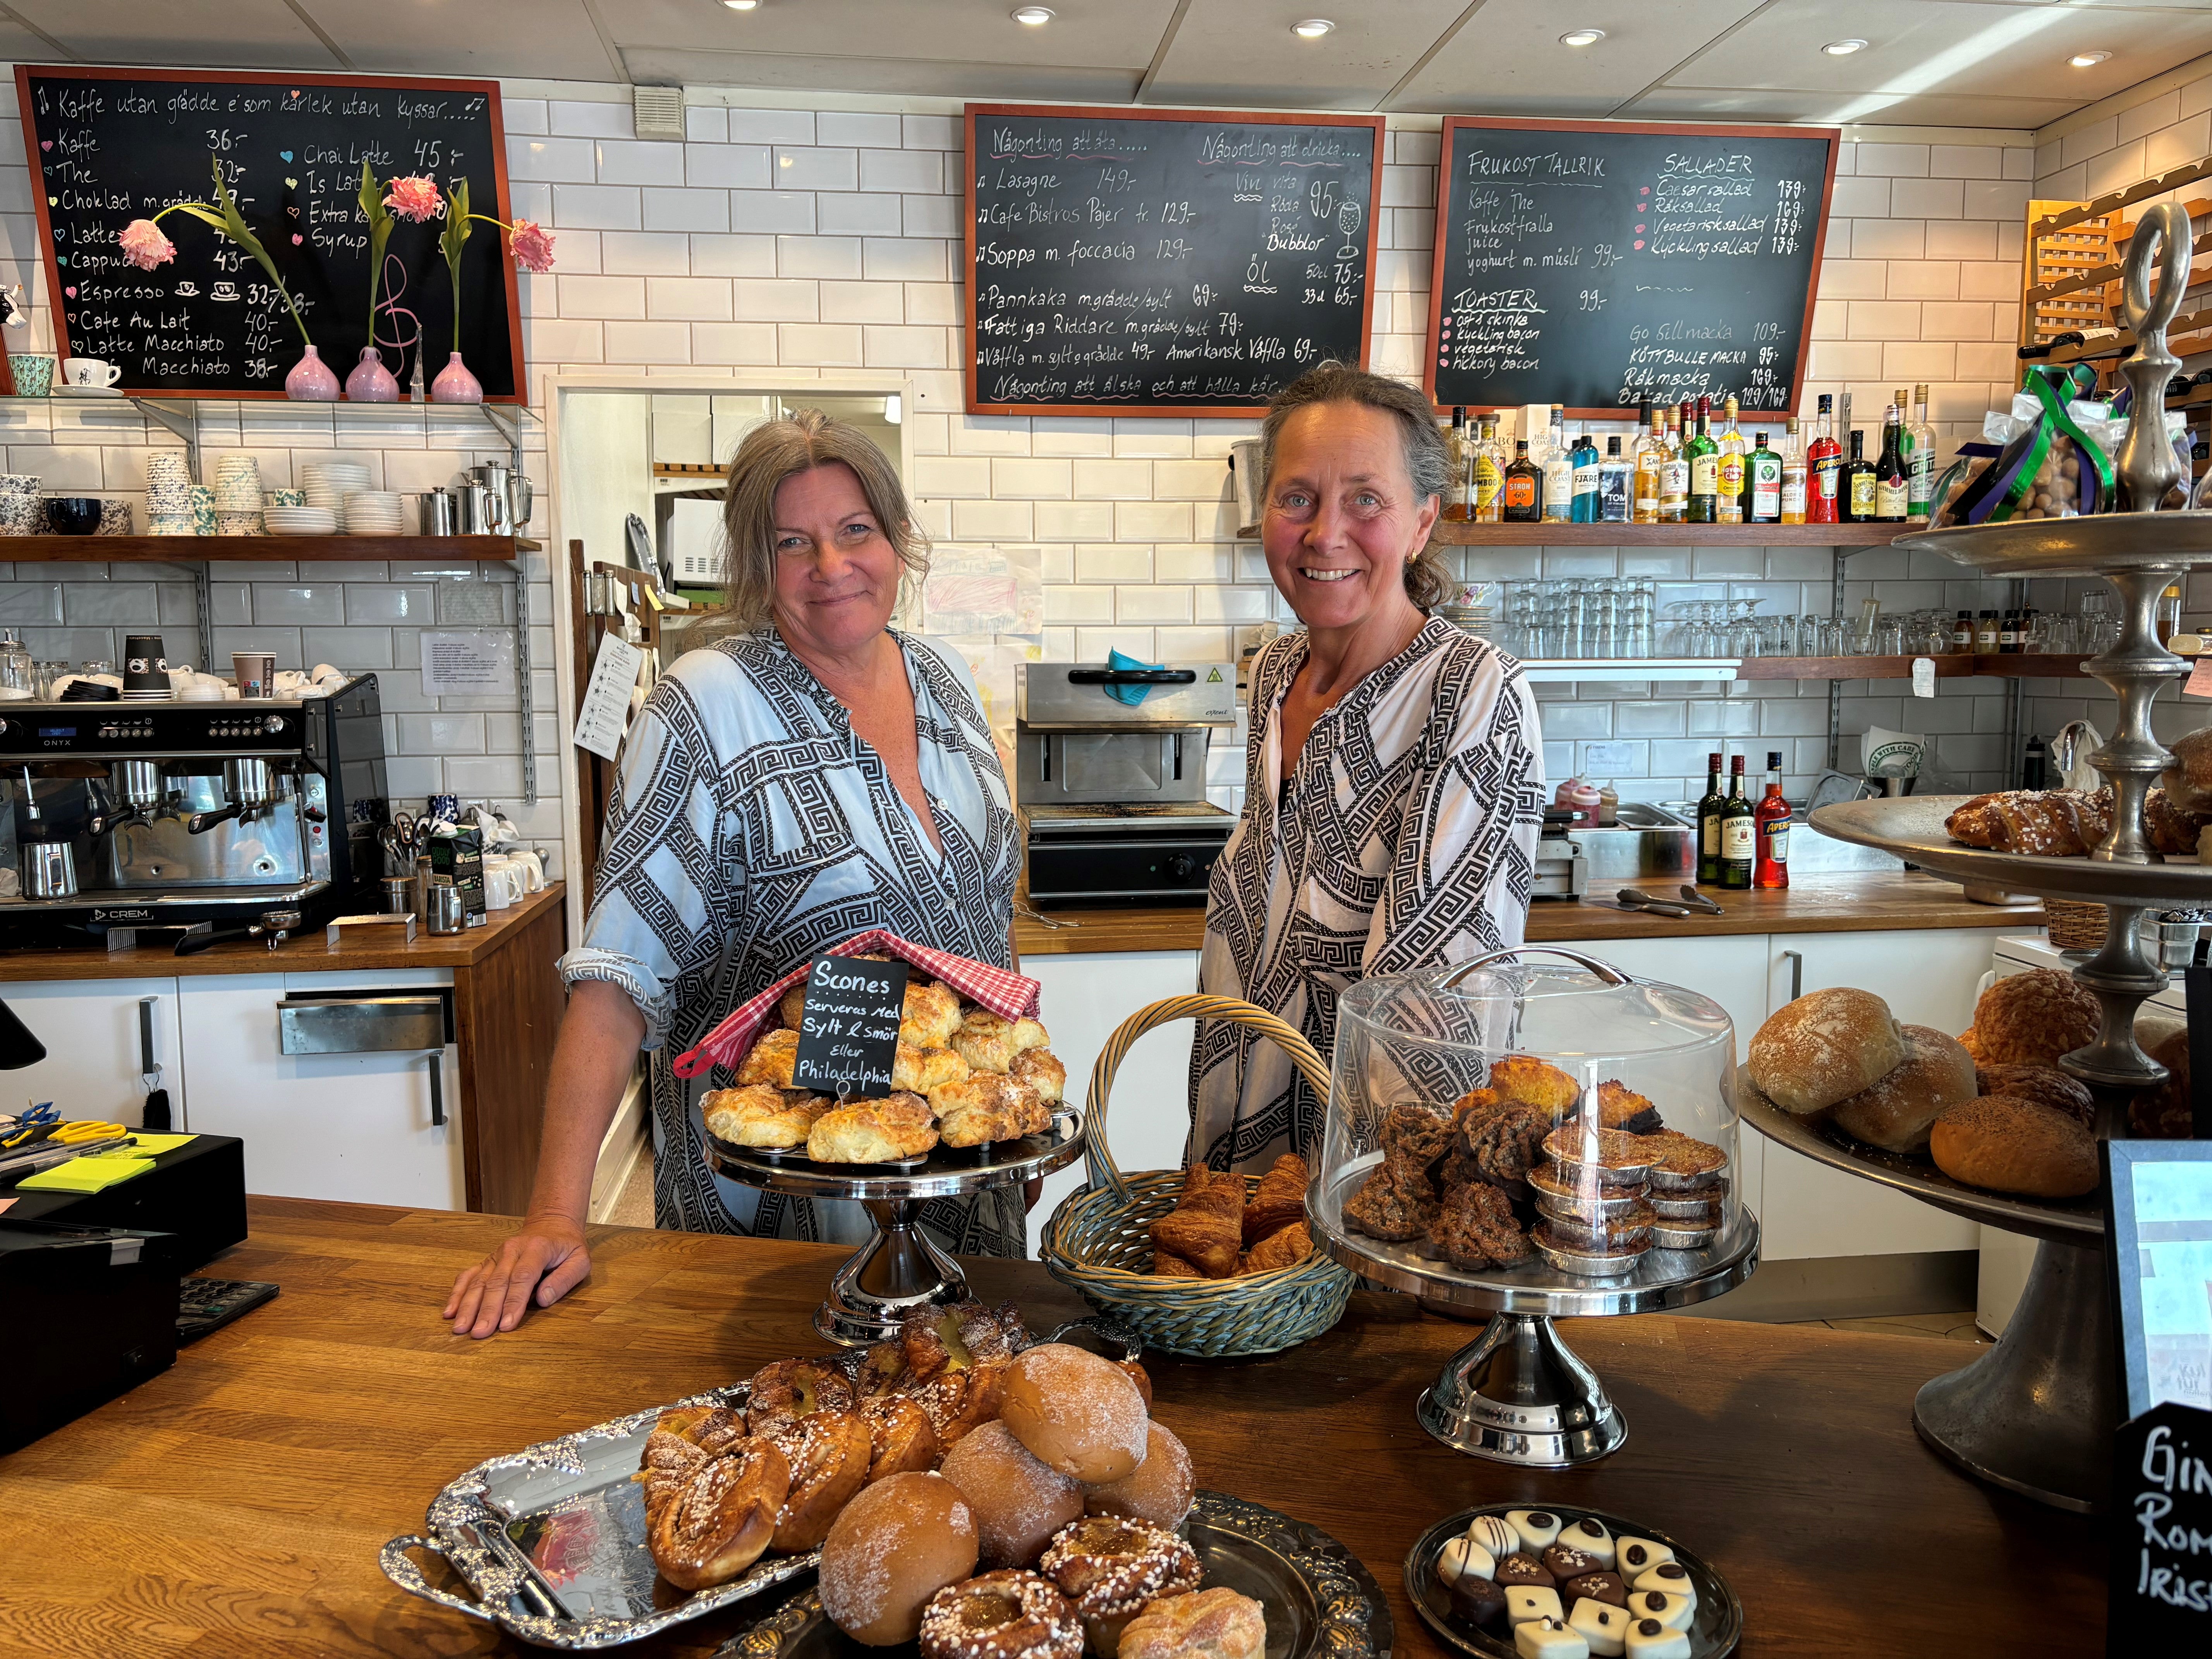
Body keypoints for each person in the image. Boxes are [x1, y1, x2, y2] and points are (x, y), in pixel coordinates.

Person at [445, 410, 1023, 1338]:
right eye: (792, 543)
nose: (829, 567)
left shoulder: (947, 680)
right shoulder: (708, 705)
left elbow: (985, 947)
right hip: (781, 1230)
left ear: (898, 539)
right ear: (758, 567)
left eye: (855, 531)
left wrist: (1015, 1119)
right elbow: (618, 974)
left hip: (958, 1207)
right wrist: (556, 1214)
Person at [1189, 362, 1545, 1171]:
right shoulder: (1274, 673)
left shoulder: (1473, 689)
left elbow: (1443, 988)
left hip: (1381, 1165)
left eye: (1366, 500)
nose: (1324, 534)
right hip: (1242, 1128)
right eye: (1297, 498)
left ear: (1423, 521)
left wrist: (1383, 1198)